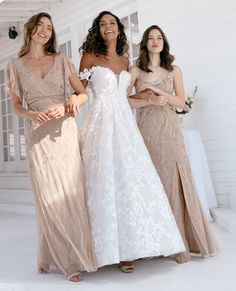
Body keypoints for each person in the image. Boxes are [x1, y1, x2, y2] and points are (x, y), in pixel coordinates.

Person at [77, 11, 186, 273]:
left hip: (125, 125)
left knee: (128, 181)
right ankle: (98, 249)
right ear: (97, 30)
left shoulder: (126, 62)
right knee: (102, 182)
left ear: (119, 28)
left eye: (112, 23)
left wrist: (146, 98)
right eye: (102, 24)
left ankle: (128, 251)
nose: (107, 28)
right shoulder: (90, 57)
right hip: (100, 124)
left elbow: (123, 100)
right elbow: (79, 92)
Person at [5, 12, 97, 281]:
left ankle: (72, 258)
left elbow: (82, 93)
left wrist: (66, 105)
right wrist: (32, 115)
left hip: (65, 131)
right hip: (37, 135)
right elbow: (16, 107)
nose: (45, 30)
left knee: (69, 195)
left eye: (49, 27)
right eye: (41, 26)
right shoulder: (15, 65)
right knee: (47, 196)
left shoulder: (62, 60)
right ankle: (53, 255)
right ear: (31, 29)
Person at [128, 25, 220, 263]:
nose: (155, 41)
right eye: (151, 38)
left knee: (174, 184)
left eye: (159, 38)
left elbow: (183, 104)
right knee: (152, 184)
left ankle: (180, 243)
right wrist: (148, 99)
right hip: (147, 132)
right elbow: (124, 101)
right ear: (145, 44)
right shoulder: (136, 70)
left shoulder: (174, 70)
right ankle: (154, 242)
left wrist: (162, 98)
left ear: (164, 42)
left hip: (169, 131)